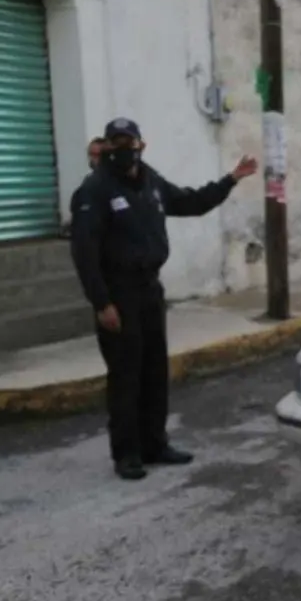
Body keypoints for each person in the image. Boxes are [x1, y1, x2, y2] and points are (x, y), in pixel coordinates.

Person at [69, 117, 258, 481]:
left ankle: (154, 444)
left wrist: (230, 180)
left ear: (142, 145)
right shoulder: (96, 189)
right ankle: (126, 454)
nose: (124, 148)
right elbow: (84, 252)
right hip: (118, 293)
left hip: (150, 290)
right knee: (126, 374)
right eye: (117, 142)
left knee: (154, 370)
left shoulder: (150, 181)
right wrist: (101, 302)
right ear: (108, 147)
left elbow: (191, 202)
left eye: (130, 141)